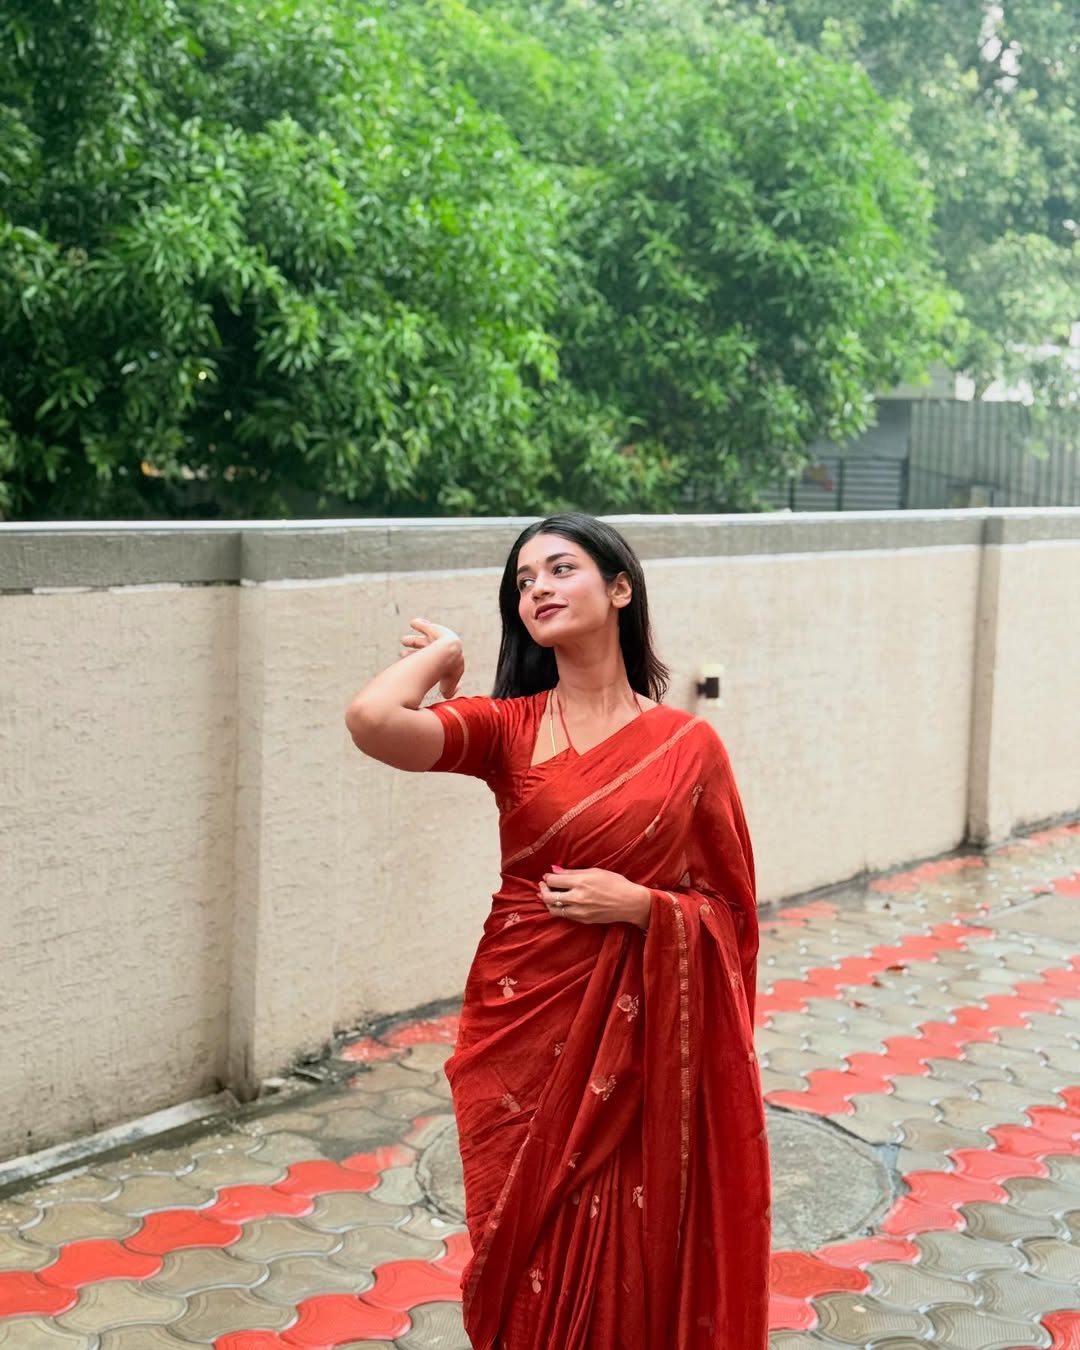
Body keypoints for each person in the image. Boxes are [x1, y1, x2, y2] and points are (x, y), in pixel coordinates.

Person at [345, 513, 770, 1350]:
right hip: (524, 1023)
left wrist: (645, 908)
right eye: (523, 580)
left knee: (626, 1247)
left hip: (638, 1047)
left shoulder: (691, 748)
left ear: (619, 588)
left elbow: (731, 913)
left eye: (559, 568)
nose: (537, 587)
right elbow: (372, 720)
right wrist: (442, 657)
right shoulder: (508, 728)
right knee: (525, 1243)